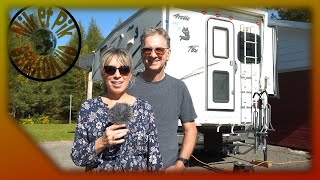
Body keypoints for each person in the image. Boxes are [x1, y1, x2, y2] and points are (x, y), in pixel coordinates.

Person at [70, 48, 163, 172]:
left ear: (130, 74)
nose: (117, 75)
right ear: (103, 73)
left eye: (124, 70)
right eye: (110, 70)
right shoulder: (88, 108)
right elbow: (77, 157)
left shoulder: (144, 109)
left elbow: (154, 158)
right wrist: (101, 142)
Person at [127, 27, 198, 172]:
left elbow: (190, 130)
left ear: (168, 54)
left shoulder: (179, 88)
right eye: (148, 50)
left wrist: (181, 163)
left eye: (159, 50)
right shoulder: (127, 86)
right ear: (142, 54)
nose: (153, 55)